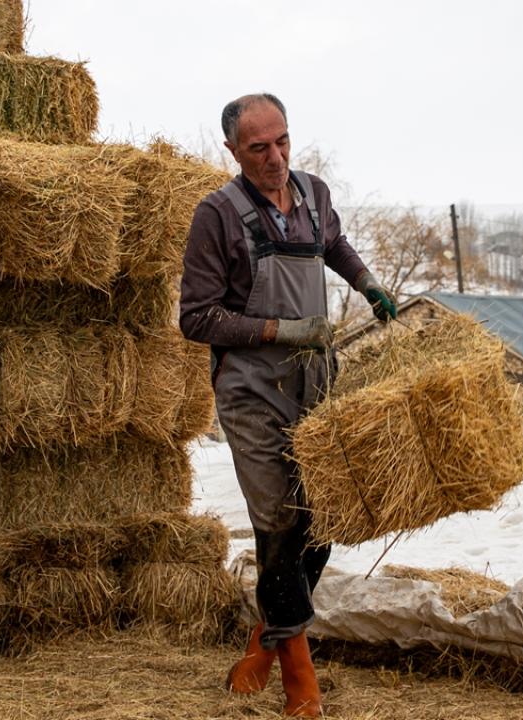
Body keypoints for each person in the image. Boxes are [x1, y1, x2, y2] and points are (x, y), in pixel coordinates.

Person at [179, 93, 397, 717]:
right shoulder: (216, 215)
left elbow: (334, 244)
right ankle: (300, 677)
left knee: (320, 518)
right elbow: (195, 317)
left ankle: (266, 639)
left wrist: (367, 283)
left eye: (282, 142)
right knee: (277, 519)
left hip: (314, 380)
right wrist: (280, 331)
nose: (275, 158)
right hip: (250, 387)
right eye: (258, 148)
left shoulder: (313, 194)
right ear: (232, 151)